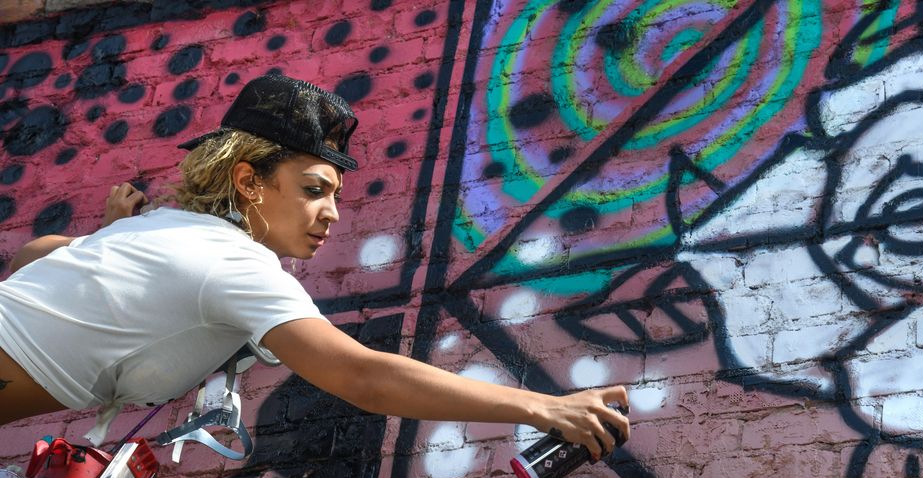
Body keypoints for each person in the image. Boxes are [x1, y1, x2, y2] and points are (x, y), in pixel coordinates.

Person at [0, 74, 629, 456]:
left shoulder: (160, 229)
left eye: (334, 196)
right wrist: (544, 409)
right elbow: (363, 376)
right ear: (248, 180)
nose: (331, 214)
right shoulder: (236, 267)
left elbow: (35, 254)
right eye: (312, 189)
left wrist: (103, 243)